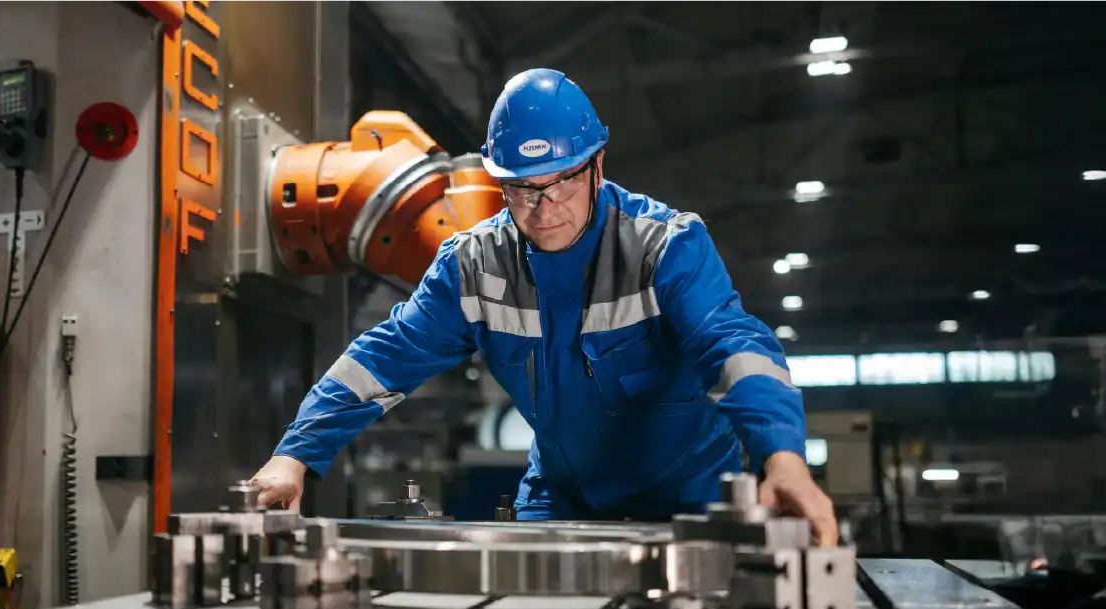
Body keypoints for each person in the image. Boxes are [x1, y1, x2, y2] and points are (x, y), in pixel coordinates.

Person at [249, 68, 838, 545]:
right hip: (561, 498)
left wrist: (781, 457)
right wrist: (294, 455)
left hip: (691, 501)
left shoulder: (666, 247)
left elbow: (734, 346)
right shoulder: (472, 268)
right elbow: (383, 359)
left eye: (563, 181)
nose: (544, 206)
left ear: (598, 165)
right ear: (500, 183)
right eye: (523, 188)